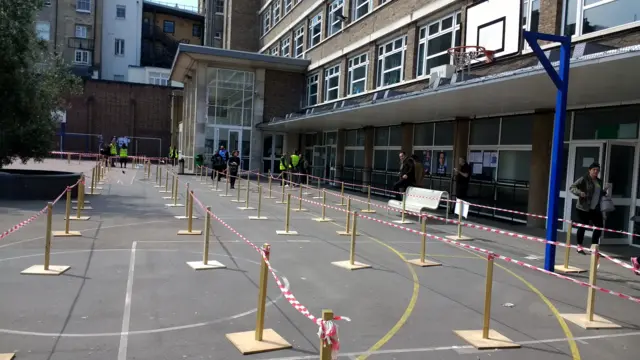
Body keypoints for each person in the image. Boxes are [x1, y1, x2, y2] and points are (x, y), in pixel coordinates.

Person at [569, 162, 609, 254]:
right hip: (583, 207)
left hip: (595, 208)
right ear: (589, 170)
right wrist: (580, 193)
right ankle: (579, 246)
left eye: (597, 170)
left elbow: (597, 194)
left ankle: (593, 246)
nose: (596, 172)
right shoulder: (584, 179)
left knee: (599, 226)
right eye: (594, 170)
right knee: (583, 226)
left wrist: (604, 191)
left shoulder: (599, 181)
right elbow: (572, 187)